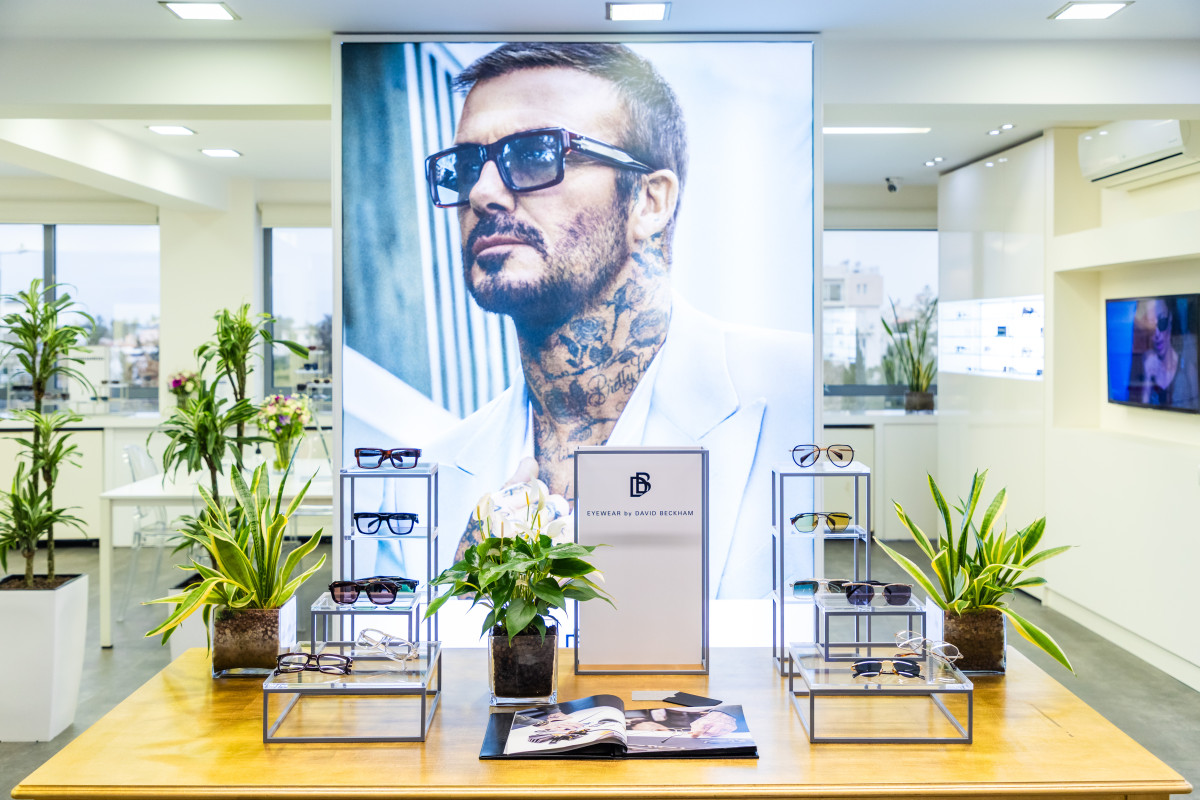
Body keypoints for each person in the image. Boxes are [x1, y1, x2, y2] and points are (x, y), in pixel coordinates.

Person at [423, 42, 812, 599]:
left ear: (650, 201)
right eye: (464, 168)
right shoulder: (434, 471)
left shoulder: (804, 399)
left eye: (536, 154)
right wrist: (465, 603)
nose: (482, 193)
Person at [1137, 297, 1199, 410]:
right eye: (1151, 326)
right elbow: (1141, 409)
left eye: (1162, 323)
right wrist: (1147, 380)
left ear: (1170, 319)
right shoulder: (1147, 363)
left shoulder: (1187, 367)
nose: (1157, 334)